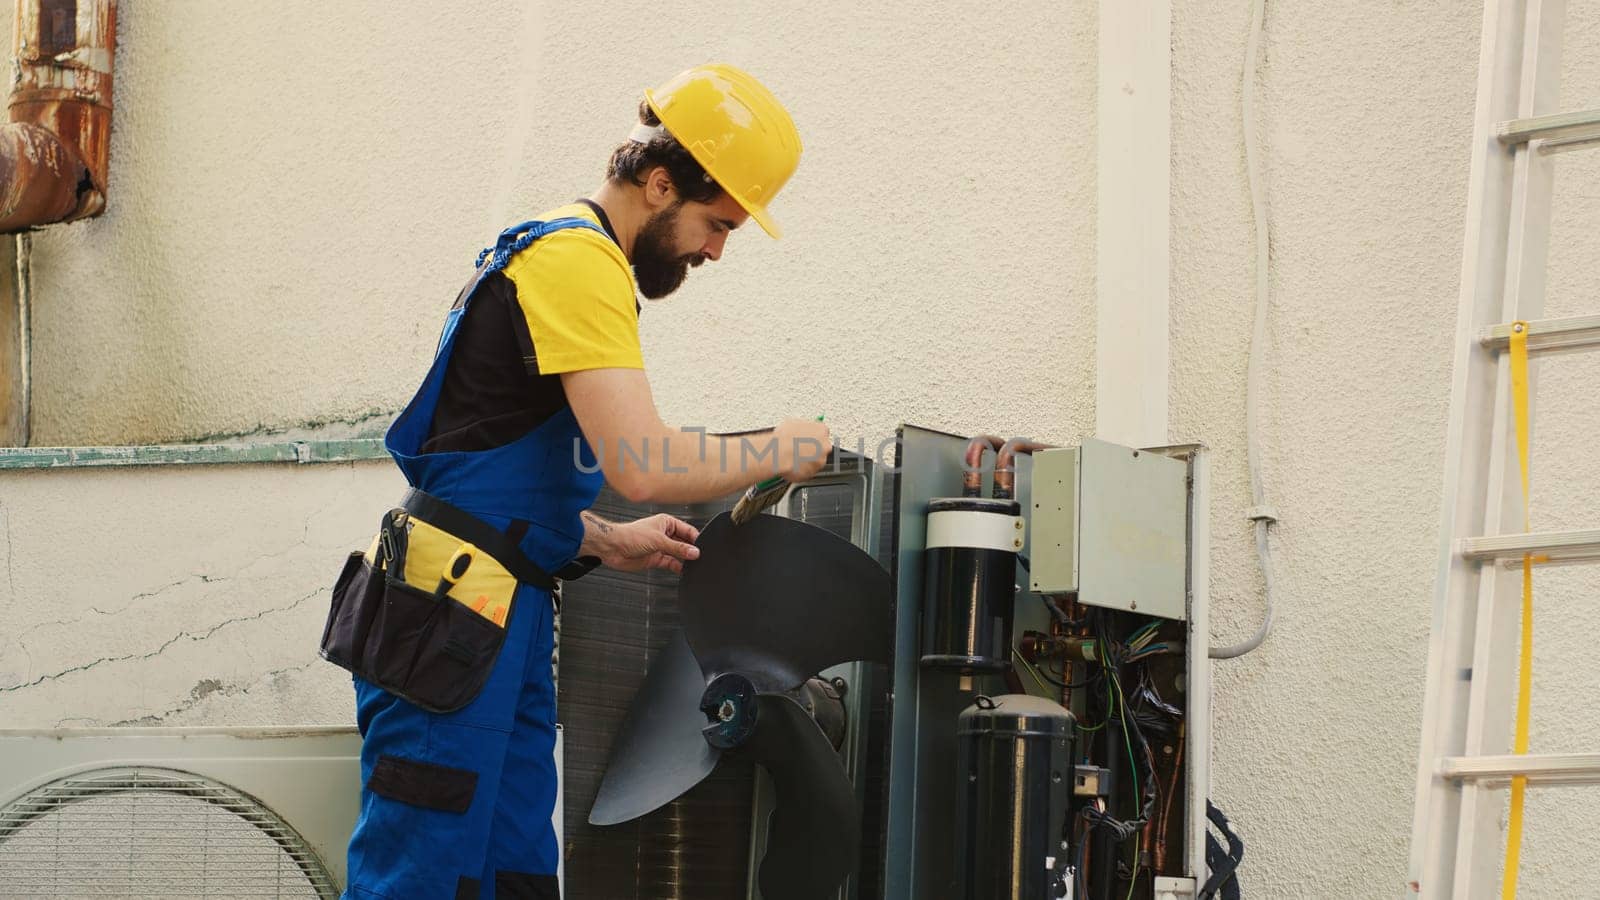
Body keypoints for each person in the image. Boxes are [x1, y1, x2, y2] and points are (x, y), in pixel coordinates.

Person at [340, 64, 831, 900]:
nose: (715, 250)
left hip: (497, 604)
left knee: (515, 874)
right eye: (716, 224)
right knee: (418, 873)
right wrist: (776, 447)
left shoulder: (558, 255)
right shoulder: (578, 262)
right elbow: (641, 463)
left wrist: (603, 538)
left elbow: (489, 468)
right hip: (458, 613)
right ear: (660, 182)